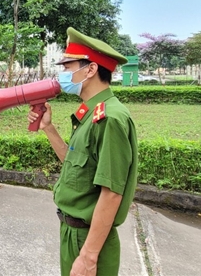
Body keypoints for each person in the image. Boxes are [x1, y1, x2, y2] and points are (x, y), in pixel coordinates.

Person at [27, 27, 138, 276]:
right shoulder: (90, 113)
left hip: (88, 239)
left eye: (68, 67)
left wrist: (88, 256)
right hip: (73, 232)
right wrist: (48, 128)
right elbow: (74, 164)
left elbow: (111, 193)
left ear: (90, 69)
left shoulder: (110, 118)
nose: (63, 73)